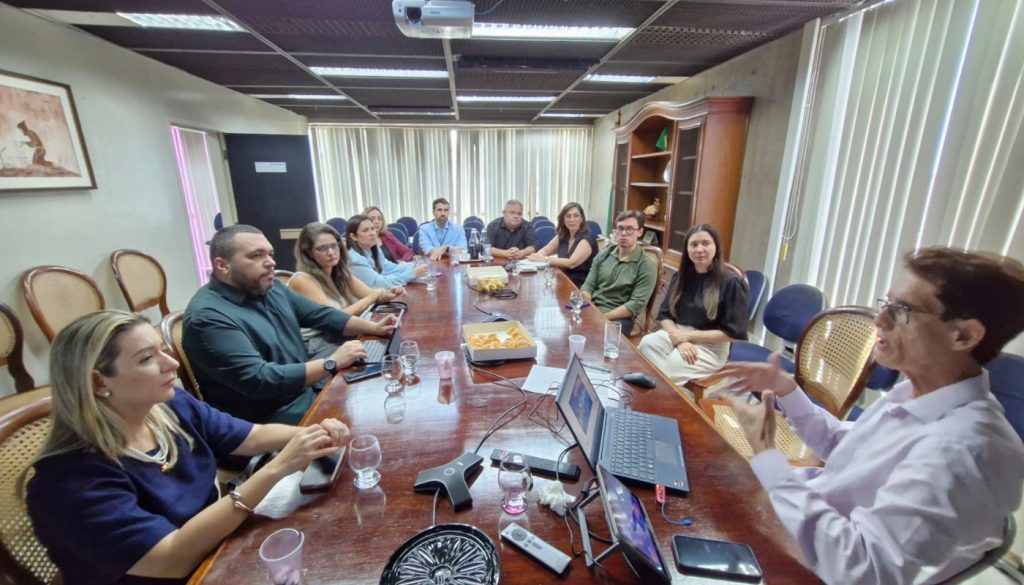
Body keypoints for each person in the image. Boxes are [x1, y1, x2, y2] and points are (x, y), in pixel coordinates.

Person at [721, 247, 1024, 584]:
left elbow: (862, 570)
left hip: (808, 564)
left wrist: (768, 456)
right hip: (799, 525)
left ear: (964, 335)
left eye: (902, 310)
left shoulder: (961, 452)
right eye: (887, 303)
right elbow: (847, 450)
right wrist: (787, 390)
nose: (879, 320)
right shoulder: (918, 390)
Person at [25, 310, 351, 585]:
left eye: (162, 349)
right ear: (98, 382)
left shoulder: (169, 405)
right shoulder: (68, 483)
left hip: (216, 550)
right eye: (147, 359)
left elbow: (251, 436)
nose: (170, 363)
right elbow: (172, 559)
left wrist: (311, 433)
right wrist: (276, 469)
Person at [183, 225, 396, 424]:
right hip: (267, 418)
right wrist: (331, 363)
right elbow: (260, 380)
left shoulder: (272, 288)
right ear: (222, 266)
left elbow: (322, 315)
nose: (270, 262)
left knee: (383, 390)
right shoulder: (208, 317)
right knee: (372, 419)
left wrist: (374, 328)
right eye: (256, 255)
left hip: (304, 391)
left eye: (270, 254)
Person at [638, 224, 748, 395]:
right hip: (676, 333)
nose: (699, 249)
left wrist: (688, 337)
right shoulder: (681, 276)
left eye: (706, 243)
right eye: (694, 244)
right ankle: (670, 394)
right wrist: (680, 339)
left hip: (711, 345)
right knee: (647, 344)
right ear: (687, 249)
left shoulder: (731, 282)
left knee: (672, 364)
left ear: (716, 247)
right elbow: (665, 316)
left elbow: (733, 333)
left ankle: (660, 397)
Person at [288, 222, 405, 358]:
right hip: (316, 346)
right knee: (381, 358)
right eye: (322, 248)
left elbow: (373, 294)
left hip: (342, 335)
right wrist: (372, 298)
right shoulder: (302, 280)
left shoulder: (339, 273)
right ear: (308, 253)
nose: (331, 252)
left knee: (395, 348)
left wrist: (388, 294)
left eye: (334, 246)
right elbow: (334, 319)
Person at [579, 210, 658, 336]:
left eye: (630, 229)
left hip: (619, 317)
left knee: (595, 338)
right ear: (615, 231)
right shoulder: (604, 254)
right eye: (620, 228)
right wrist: (588, 305)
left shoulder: (647, 265)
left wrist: (602, 316)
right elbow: (588, 285)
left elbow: (635, 305)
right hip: (594, 308)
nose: (624, 233)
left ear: (640, 232)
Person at [527, 201, 597, 288]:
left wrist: (544, 259)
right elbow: (546, 250)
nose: (572, 220)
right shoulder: (563, 236)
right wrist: (536, 257)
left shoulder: (587, 239)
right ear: (563, 220)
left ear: (581, 219)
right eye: (568, 216)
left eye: (576, 216)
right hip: (562, 280)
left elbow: (571, 263)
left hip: (581, 285)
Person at [346, 215, 427, 288]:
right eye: (365, 230)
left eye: (372, 229)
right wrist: (411, 274)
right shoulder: (355, 260)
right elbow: (379, 284)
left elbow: (388, 267)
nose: (372, 233)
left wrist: (413, 266)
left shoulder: (373, 248)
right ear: (353, 236)